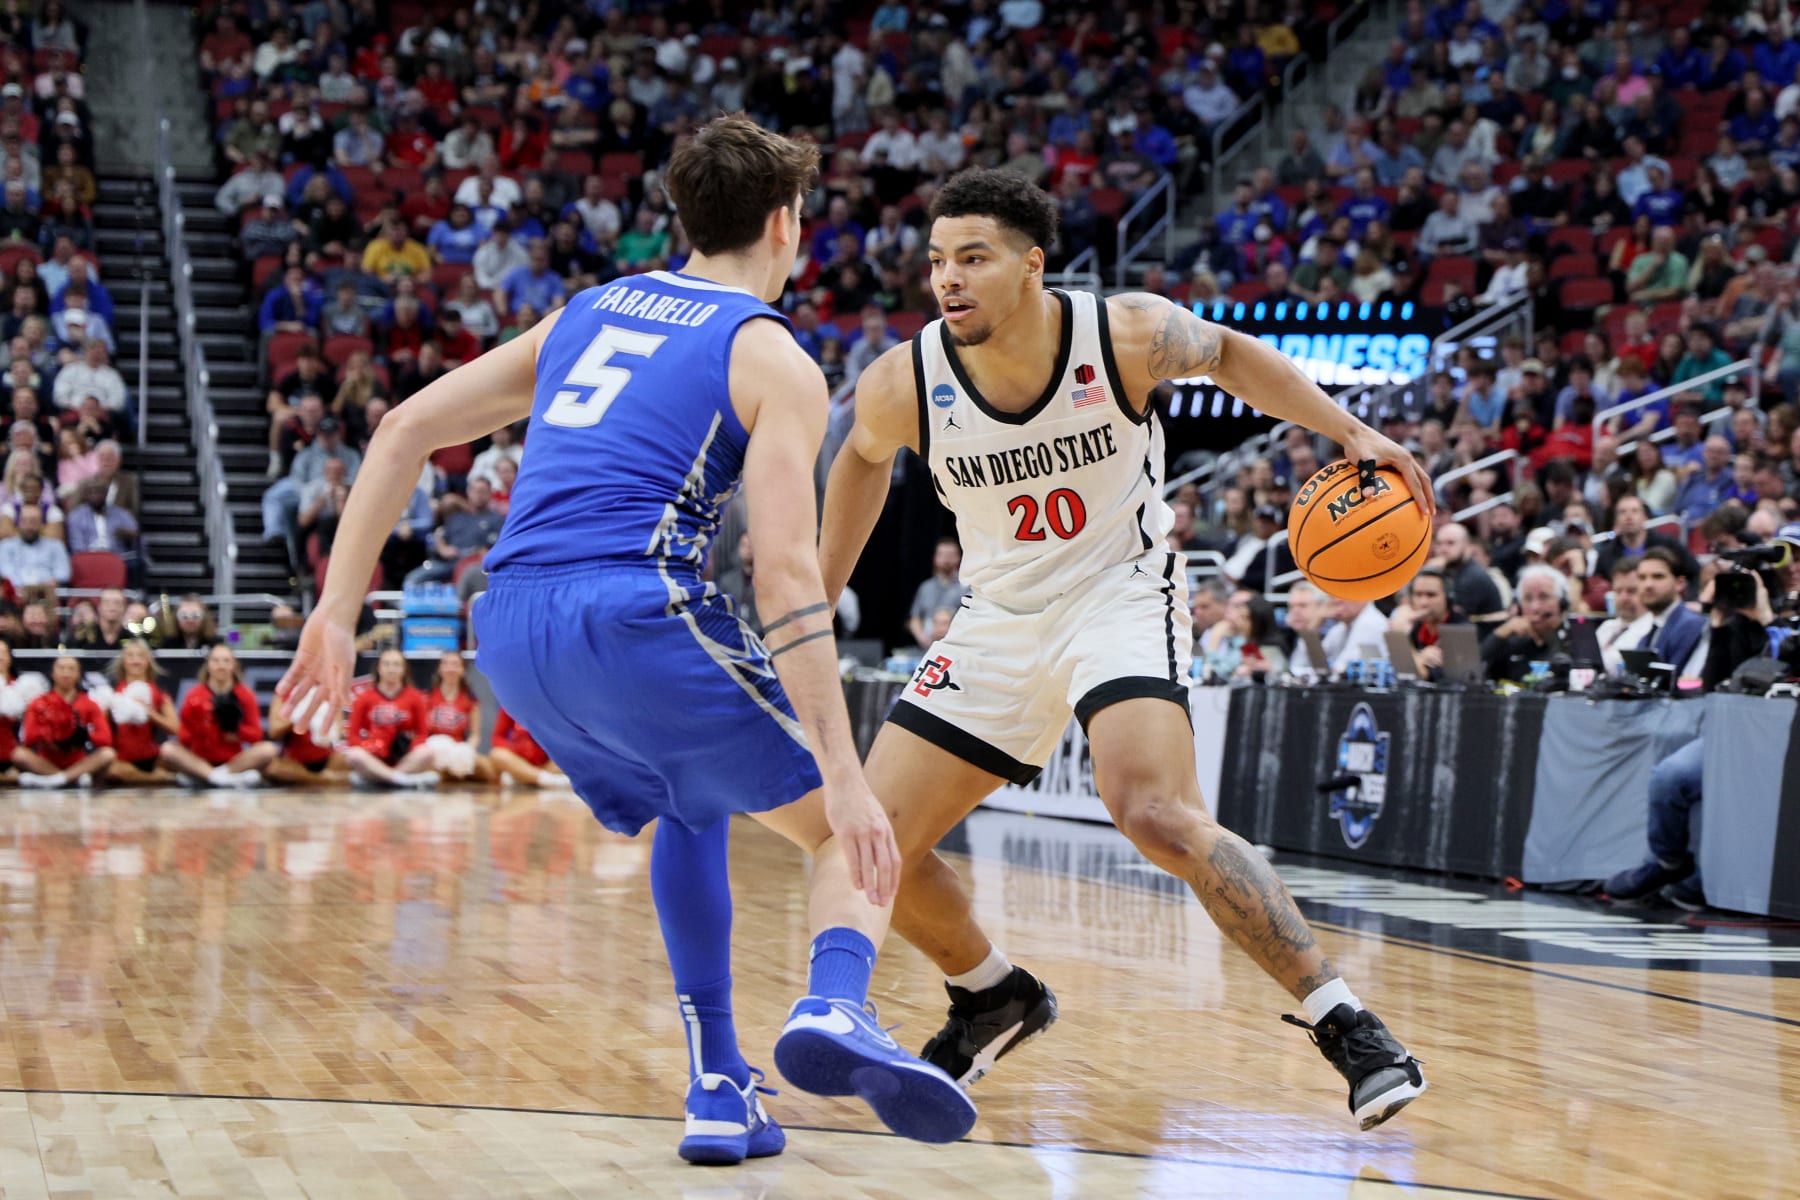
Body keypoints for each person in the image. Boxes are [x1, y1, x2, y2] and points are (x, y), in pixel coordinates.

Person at [275, 116, 976, 1162]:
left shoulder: (584, 313)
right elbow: (784, 571)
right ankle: (836, 1004)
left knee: (684, 806)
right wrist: (842, 768)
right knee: (847, 831)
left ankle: (716, 1086)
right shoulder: (767, 349)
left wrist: (335, 608)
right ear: (786, 225)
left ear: (682, 219)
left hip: (509, 625)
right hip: (635, 606)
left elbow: (401, 430)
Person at [817, 166, 1428, 1129]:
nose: (948, 279)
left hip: (1120, 592)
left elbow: (1230, 356)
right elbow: (856, 458)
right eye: (937, 261)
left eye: (972, 257)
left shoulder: (1124, 333)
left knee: (1152, 813)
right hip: (998, 618)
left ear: (1032, 264)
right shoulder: (906, 381)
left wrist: (1352, 432)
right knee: (870, 847)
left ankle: (1346, 1021)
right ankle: (991, 996)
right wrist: (816, 593)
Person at [162, 643, 276, 787]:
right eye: (216, 661)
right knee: (168, 749)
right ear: (208, 665)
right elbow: (183, 737)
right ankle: (219, 777)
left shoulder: (245, 694)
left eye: (226, 661)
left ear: (233, 665)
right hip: (200, 759)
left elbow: (256, 735)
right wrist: (199, 725)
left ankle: (213, 777)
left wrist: (236, 731)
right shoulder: (195, 694)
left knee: (268, 749)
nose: (221, 666)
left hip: (233, 761)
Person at [341, 647, 438, 789]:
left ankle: (385, 778)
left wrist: (410, 746)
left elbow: (422, 733)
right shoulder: (364, 698)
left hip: (403, 757)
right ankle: (401, 780)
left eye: (396, 664)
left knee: (427, 752)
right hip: (373, 756)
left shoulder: (415, 697)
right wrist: (369, 747)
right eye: (386, 664)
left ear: (404, 669)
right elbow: (353, 736)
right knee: (354, 755)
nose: (391, 669)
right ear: (378, 668)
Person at [12, 654, 114, 787]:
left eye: (71, 669)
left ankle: (58, 779)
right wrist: (50, 735)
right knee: (18, 754)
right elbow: (28, 738)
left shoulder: (89, 703)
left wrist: (83, 736)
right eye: (61, 668)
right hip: (47, 759)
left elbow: (106, 738)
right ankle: (69, 778)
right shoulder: (39, 702)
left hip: (77, 759)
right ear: (53, 673)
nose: (66, 673)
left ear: (78, 674)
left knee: (107, 754)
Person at [103, 639, 179, 785]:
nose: (135, 660)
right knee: (112, 770)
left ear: (148, 662)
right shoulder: (113, 692)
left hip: (153, 756)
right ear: (124, 662)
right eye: (130, 656)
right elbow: (100, 729)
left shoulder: (159, 693)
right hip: (121, 758)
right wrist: (106, 710)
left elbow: (175, 728)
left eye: (140, 656)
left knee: (175, 755)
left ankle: (141, 777)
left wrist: (150, 713)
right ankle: (155, 779)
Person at [1480, 564, 1570, 681]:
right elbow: (1473, 671)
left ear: (1562, 603)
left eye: (1544, 597)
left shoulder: (1575, 641)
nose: (1535, 607)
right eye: (1528, 599)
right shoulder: (1512, 641)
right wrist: (1499, 635)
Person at [1630, 547, 1709, 678]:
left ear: (1679, 583)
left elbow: (1671, 681)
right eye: (1642, 578)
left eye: (1658, 577)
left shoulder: (1691, 625)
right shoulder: (1649, 630)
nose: (1648, 584)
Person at [420, 648, 492, 783]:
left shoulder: (471, 700)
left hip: (459, 750)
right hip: (433, 749)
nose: (450, 669)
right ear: (440, 669)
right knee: (434, 768)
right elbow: (420, 732)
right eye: (446, 664)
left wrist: (467, 749)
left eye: (455, 665)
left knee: (486, 768)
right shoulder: (427, 697)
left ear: (463, 670)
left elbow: (475, 736)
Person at [1386, 567, 1465, 678]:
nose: (1423, 602)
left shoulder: (1460, 630)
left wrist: (1400, 635)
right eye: (1418, 595)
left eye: (1431, 595)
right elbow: (1396, 668)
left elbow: (1417, 674)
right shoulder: (1417, 626)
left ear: (1448, 598)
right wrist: (1420, 657)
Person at [906, 537, 968, 649]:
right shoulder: (926, 587)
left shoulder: (967, 587)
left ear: (959, 557)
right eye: (942, 555)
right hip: (928, 646)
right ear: (935, 558)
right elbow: (915, 617)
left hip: (958, 645)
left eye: (950, 555)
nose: (946, 560)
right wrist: (922, 637)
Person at [1596, 559, 1650, 674]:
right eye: (1618, 591)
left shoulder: (1651, 631)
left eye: (1631, 591)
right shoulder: (1607, 626)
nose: (1623, 598)